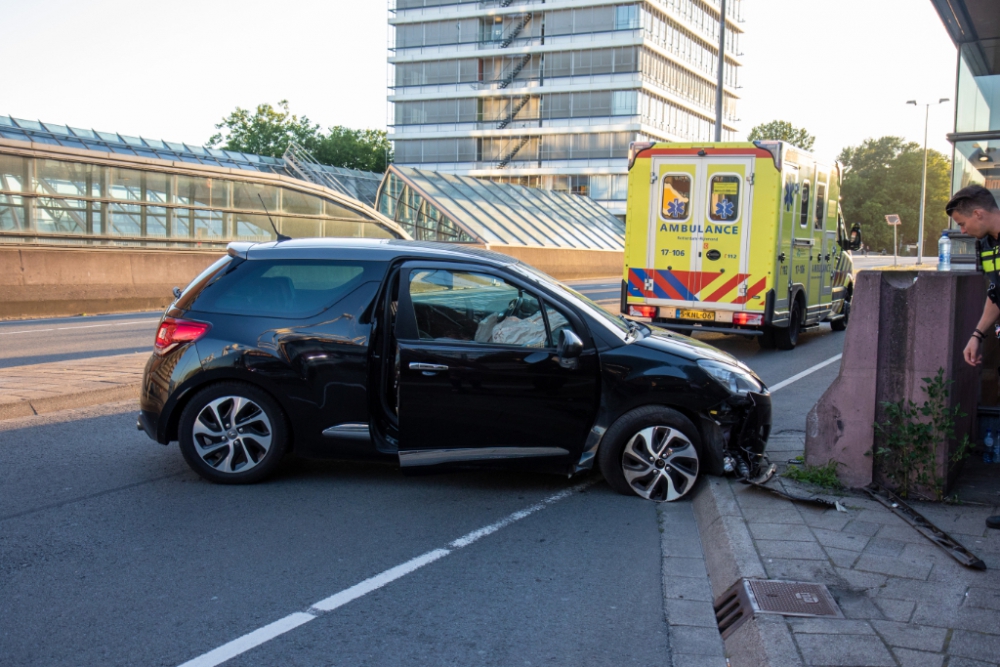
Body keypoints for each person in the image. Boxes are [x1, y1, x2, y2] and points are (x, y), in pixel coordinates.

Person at [947, 184, 1000, 530]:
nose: (962, 231)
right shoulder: (987, 245)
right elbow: (995, 294)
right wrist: (977, 335)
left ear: (978, 213)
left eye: (963, 223)